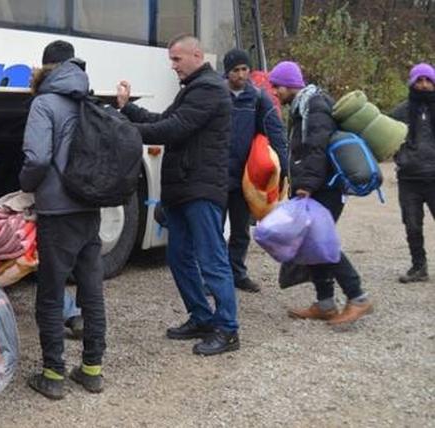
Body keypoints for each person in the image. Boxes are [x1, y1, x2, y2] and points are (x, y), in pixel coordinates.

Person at [117, 35, 239, 356]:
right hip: (183, 189)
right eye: (171, 60)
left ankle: (227, 329)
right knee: (179, 257)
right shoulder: (193, 89)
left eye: (176, 59)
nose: (172, 66)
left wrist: (122, 130)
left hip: (200, 189)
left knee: (211, 260)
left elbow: (173, 130)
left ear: (197, 55)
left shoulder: (209, 89)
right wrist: (128, 109)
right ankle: (201, 317)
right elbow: (163, 121)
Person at [21, 40, 107, 399]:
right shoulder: (89, 100)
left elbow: (38, 159)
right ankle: (92, 370)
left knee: (51, 292)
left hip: (57, 211)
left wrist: (26, 185)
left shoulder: (44, 103)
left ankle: (53, 375)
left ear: (45, 68)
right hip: (90, 205)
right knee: (92, 289)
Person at [269, 61, 373, 325]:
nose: (275, 92)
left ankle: (358, 297)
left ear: (290, 84)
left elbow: (316, 148)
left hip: (325, 188)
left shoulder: (314, 106)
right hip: (319, 186)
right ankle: (325, 303)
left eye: (277, 86)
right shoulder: (303, 105)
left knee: (321, 242)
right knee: (312, 243)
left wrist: (306, 186)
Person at [222, 48, 289, 293]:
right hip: (217, 175)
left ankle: (237, 273)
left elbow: (275, 134)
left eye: (245, 69)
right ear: (226, 72)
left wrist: (284, 171)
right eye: (235, 70)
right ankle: (215, 276)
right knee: (213, 230)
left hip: (245, 178)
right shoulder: (215, 94)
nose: (241, 75)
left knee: (240, 230)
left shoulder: (258, 98)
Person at [391, 63, 435, 283]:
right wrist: (401, 157)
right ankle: (419, 267)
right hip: (409, 178)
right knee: (412, 225)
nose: (424, 85)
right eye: (419, 80)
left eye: (428, 80)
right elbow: (385, 139)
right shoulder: (400, 112)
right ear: (411, 83)